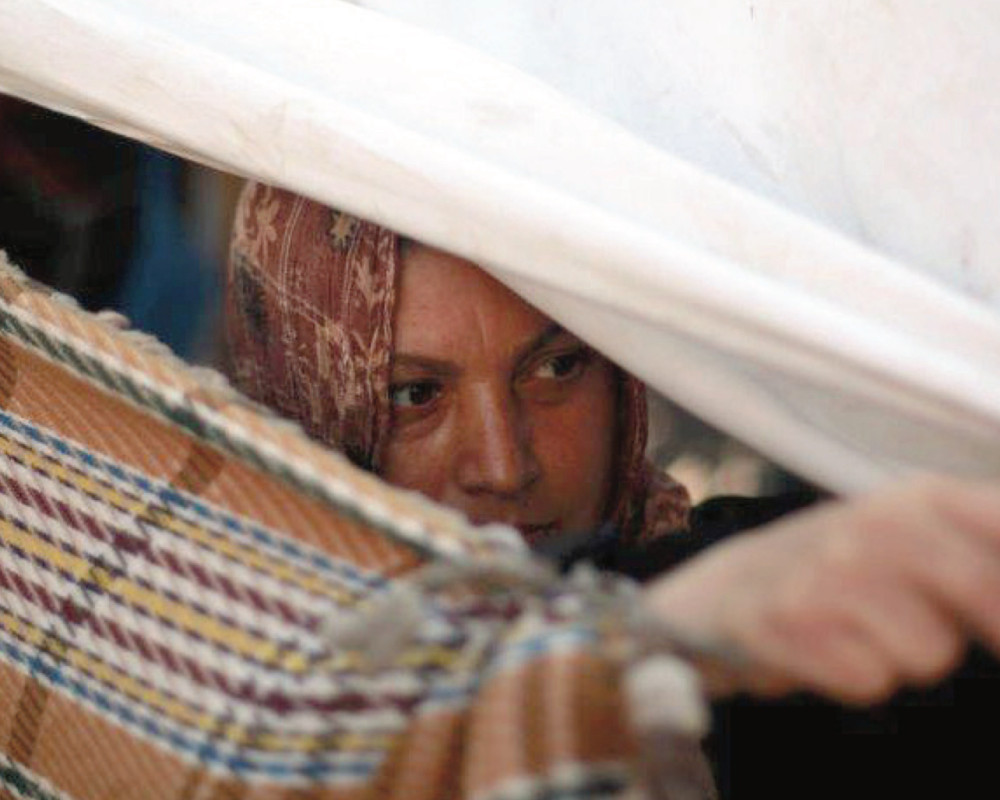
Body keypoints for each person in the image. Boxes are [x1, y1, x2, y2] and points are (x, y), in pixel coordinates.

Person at [225, 182, 1000, 793]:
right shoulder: (226, 691)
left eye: (557, 367)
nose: (504, 466)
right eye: (414, 396)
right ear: (307, 400)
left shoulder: (803, 614)